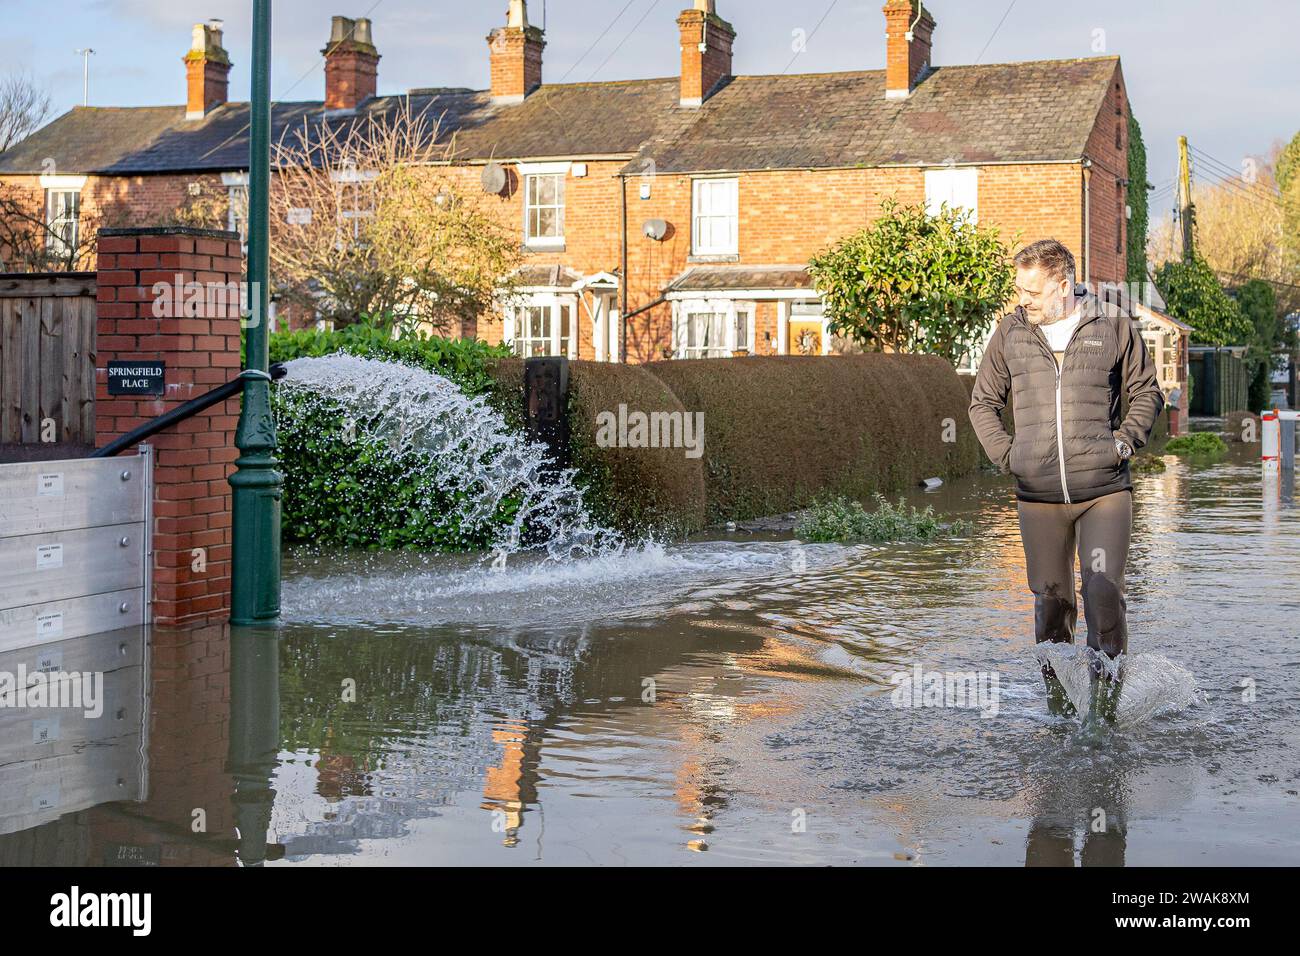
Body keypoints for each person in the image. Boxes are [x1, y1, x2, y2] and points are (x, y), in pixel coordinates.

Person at [968, 239, 1165, 720]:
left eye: (1032, 291)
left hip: (1103, 491)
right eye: (1019, 289)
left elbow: (1147, 392)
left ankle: (1103, 715)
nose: (1023, 300)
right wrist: (1010, 456)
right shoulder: (1011, 333)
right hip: (1038, 496)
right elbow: (982, 404)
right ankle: (1060, 708)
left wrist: (1122, 443)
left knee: (1102, 593)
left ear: (1062, 284)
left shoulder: (1111, 323)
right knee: (1051, 606)